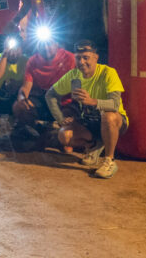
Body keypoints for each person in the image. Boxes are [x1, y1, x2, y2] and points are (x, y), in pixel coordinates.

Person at [45, 40, 127, 179]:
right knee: (64, 135)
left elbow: (114, 104)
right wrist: (60, 118)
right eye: (78, 58)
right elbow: (50, 95)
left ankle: (109, 161)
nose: (81, 62)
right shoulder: (73, 76)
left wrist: (91, 101)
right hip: (89, 124)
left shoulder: (108, 73)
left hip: (114, 122)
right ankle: (94, 146)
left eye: (86, 57)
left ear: (96, 57)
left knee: (108, 116)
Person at [15, 30, 75, 134]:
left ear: (57, 44)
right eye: (42, 44)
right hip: (42, 100)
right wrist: (22, 99)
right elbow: (25, 87)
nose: (46, 48)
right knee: (19, 107)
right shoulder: (33, 61)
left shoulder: (70, 58)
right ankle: (37, 131)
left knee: (68, 122)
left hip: (63, 102)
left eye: (49, 44)